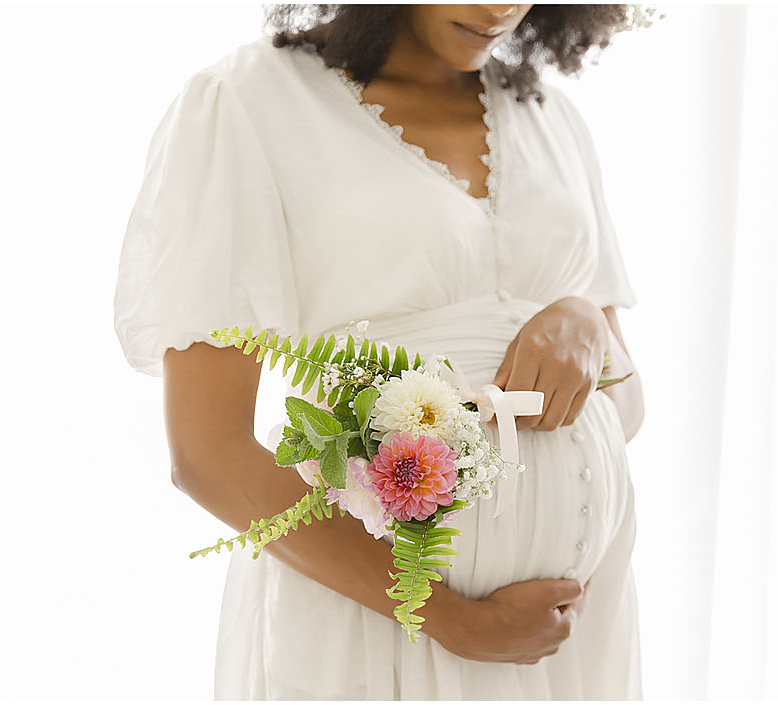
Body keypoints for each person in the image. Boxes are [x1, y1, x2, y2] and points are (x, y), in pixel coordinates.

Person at [114, 4, 651, 699]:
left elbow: (626, 408)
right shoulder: (251, 103)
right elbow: (207, 451)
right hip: (372, 625)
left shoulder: (553, 119)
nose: (500, 9)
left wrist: (584, 321)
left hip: (569, 636)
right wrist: (450, 618)